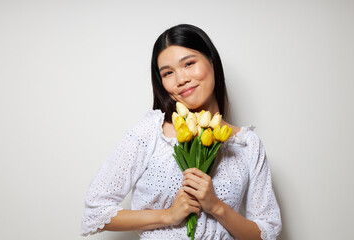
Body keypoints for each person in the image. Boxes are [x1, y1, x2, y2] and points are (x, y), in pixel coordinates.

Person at [81, 24, 282, 240]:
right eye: (168, 73)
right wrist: (168, 215)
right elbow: (96, 210)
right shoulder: (152, 133)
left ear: (211, 61)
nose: (181, 79)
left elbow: (266, 232)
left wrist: (216, 206)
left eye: (189, 64)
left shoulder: (247, 145)